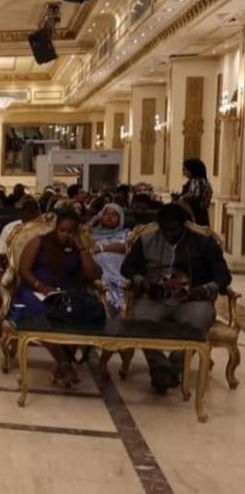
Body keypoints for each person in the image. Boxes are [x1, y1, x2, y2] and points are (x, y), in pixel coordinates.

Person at [121, 203, 231, 393]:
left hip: (192, 299)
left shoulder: (203, 243)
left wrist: (204, 289)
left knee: (196, 324)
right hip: (155, 298)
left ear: (184, 225)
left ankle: (171, 368)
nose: (169, 234)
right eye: (165, 230)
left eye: (174, 230)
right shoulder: (146, 240)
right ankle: (160, 367)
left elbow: (223, 276)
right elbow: (127, 267)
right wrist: (142, 282)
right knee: (140, 322)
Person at [8, 208, 101, 387]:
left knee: (74, 316)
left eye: (70, 232)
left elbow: (94, 274)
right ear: (56, 227)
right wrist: (40, 286)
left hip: (65, 295)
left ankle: (61, 370)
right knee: (45, 317)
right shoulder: (39, 242)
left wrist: (82, 249)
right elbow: (23, 269)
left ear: (76, 232)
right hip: (34, 291)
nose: (66, 235)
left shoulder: (79, 248)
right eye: (62, 230)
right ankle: (66, 365)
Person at [91, 203, 129, 312]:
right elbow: (80, 235)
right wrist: (92, 221)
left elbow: (127, 247)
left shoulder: (126, 234)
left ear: (120, 218)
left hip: (118, 275)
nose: (109, 217)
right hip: (97, 277)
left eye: (114, 214)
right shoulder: (91, 234)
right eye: (105, 213)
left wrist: (103, 248)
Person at [0, 197, 41, 269]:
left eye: (32, 212)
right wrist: (2, 257)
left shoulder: (46, 229)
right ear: (21, 214)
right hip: (13, 267)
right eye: (26, 212)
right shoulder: (9, 228)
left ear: (39, 214)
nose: (29, 216)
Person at [178, 158, 212, 226]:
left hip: (194, 214)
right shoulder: (206, 182)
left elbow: (194, 195)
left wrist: (181, 198)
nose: (184, 172)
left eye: (185, 169)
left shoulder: (196, 181)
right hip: (203, 214)